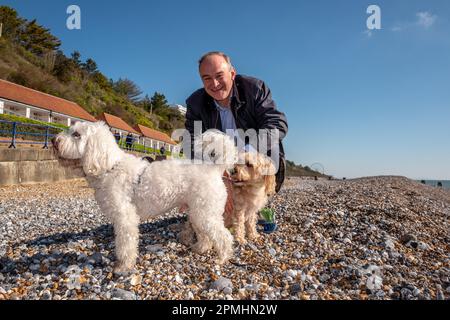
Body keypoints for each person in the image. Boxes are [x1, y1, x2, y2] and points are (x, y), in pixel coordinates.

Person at [184, 51, 288, 220]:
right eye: (207, 78)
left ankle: (256, 204)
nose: (215, 83)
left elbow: (277, 124)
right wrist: (216, 173)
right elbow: (191, 143)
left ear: (232, 74)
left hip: (253, 158)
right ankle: (225, 202)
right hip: (221, 161)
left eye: (219, 75)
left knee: (267, 149)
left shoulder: (254, 89)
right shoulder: (195, 103)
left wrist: (248, 153)